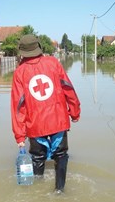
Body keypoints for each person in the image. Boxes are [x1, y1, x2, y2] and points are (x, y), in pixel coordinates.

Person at [10, 34, 81, 193]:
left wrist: (20, 135)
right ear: (39, 47)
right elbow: (68, 88)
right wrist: (75, 112)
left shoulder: (19, 72)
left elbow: (18, 106)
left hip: (35, 125)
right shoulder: (54, 63)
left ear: (22, 52)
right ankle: (60, 190)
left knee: (37, 158)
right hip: (58, 120)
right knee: (61, 155)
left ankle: (37, 189)